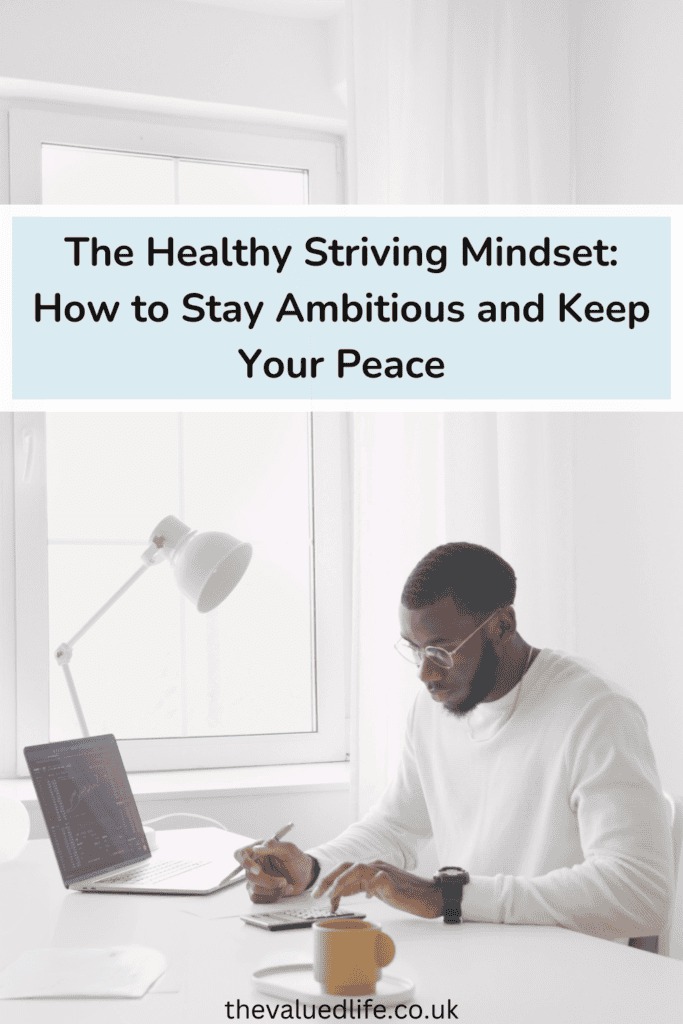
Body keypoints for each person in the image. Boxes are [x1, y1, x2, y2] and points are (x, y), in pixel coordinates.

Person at [235, 542, 674, 942]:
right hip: (476, 955)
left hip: (570, 976)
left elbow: (640, 892)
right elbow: (395, 827)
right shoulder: (435, 708)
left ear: (502, 625)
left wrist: (449, 897)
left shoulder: (595, 712)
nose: (425, 674)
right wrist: (311, 869)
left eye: (442, 650)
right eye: (415, 649)